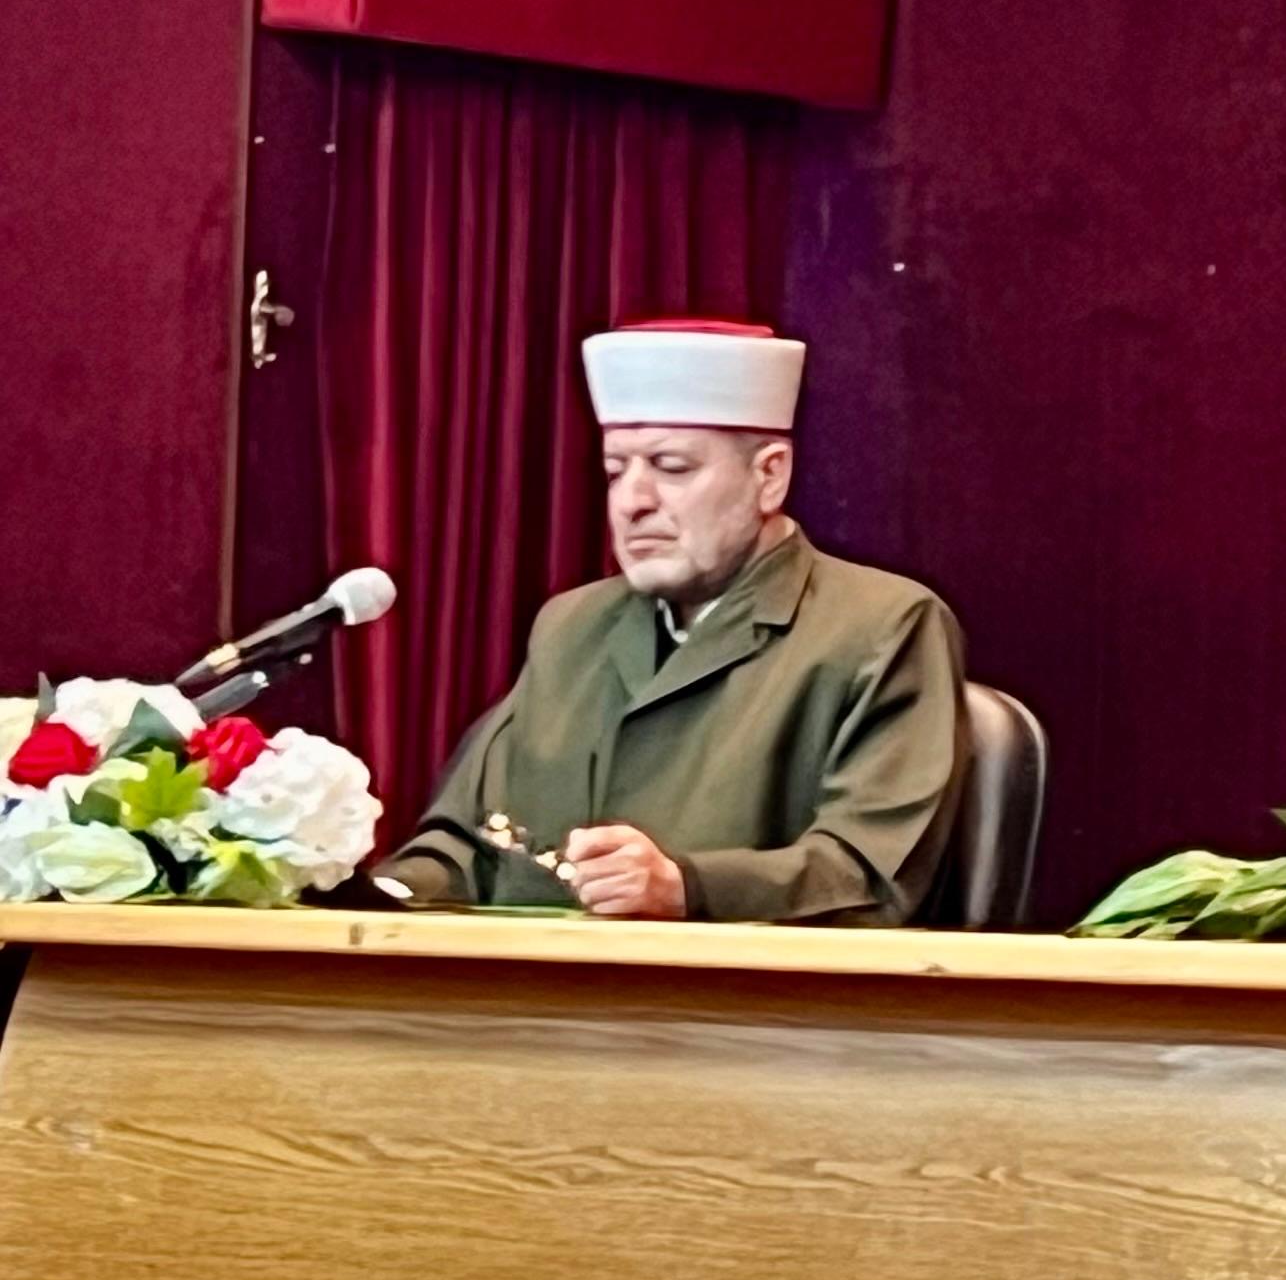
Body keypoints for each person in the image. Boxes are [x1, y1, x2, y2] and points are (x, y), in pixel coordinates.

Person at [372, 319, 968, 924]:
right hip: (541, 981)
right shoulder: (572, 626)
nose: (633, 502)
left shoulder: (880, 626)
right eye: (615, 471)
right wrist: (363, 891)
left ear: (770, 476)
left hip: (737, 984)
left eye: (672, 467)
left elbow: (869, 874)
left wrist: (688, 888)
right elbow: (469, 846)